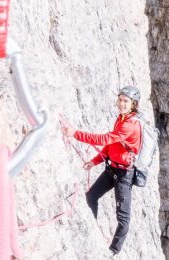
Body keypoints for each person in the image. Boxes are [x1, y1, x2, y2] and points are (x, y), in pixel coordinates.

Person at [61, 85, 142, 256]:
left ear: (133, 104)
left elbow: (104, 139)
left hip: (124, 175)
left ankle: (113, 251)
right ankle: (93, 231)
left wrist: (75, 133)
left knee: (123, 218)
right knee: (91, 197)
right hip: (112, 168)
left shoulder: (130, 125)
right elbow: (111, 145)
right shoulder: (121, 119)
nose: (121, 103)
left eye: (126, 101)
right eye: (120, 99)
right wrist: (94, 161)